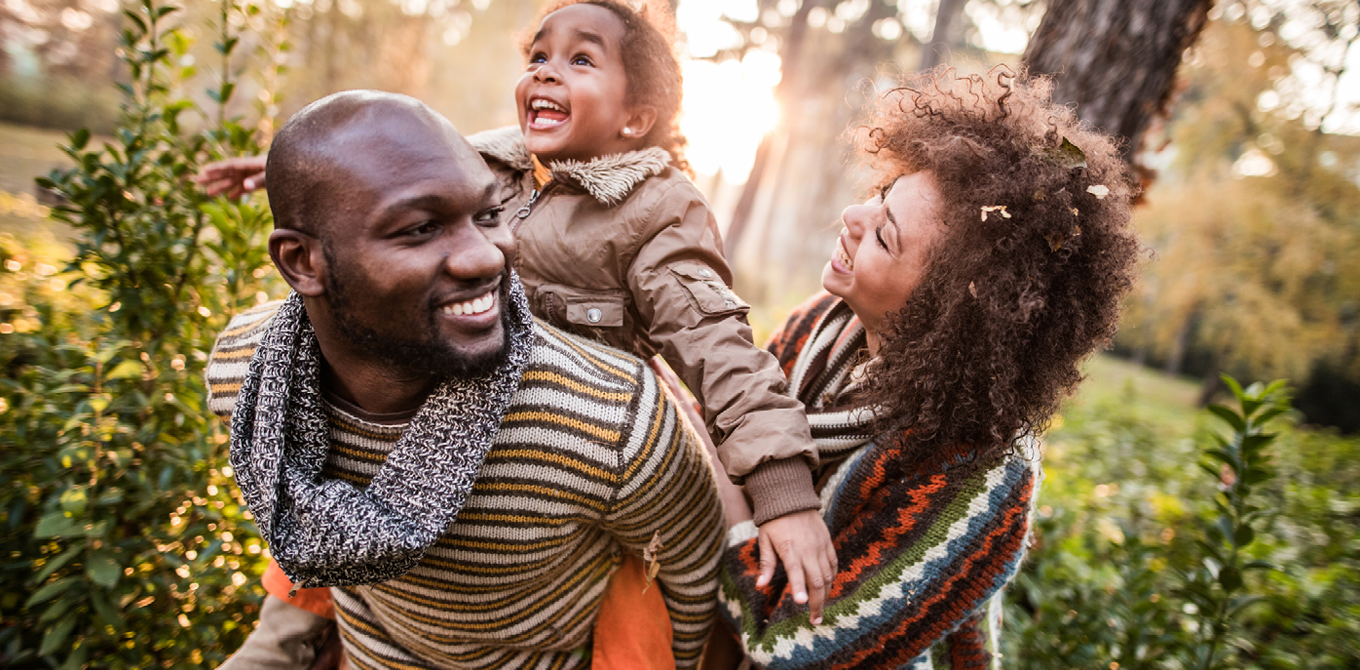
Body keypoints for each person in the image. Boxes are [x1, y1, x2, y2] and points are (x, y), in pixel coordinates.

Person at [199, 0, 837, 621]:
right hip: (451, 378)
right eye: (538, 55)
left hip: (575, 419)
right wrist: (288, 174)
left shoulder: (655, 212)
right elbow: (376, 183)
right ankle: (296, 623)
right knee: (323, 502)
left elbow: (717, 344)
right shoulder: (491, 163)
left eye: (581, 60)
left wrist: (783, 490)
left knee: (716, 549)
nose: (545, 71)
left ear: (635, 118)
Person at [207, 90, 724, 669]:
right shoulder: (246, 374)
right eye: (421, 228)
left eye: (486, 215)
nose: (486, 258)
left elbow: (693, 580)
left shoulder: (609, 421)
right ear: (303, 262)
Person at [705, 68, 1141, 669]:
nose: (853, 215)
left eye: (884, 236)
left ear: (948, 309)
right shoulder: (820, 324)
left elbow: (792, 648)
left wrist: (729, 488)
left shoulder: (980, 473)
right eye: (884, 192)